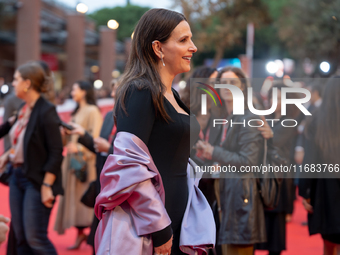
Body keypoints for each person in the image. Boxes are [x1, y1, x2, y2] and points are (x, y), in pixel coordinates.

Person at [94, 8, 215, 255]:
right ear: (158, 48)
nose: (193, 47)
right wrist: (160, 228)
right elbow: (128, 165)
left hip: (178, 217)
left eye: (190, 39)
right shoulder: (140, 91)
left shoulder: (172, 95)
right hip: (150, 225)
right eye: (183, 40)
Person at [196, 66, 266, 255]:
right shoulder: (226, 118)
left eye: (233, 83)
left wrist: (214, 152)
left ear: (242, 86)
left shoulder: (248, 117)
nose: (227, 87)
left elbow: (248, 162)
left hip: (241, 199)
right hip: (226, 197)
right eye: (223, 83)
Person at [0, 61, 63, 255]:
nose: (13, 83)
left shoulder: (46, 110)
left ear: (27, 83)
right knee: (20, 238)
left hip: (35, 180)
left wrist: (46, 186)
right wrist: (6, 157)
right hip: (18, 175)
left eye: (16, 79)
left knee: (36, 239)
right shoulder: (23, 109)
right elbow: (16, 138)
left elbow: (56, 151)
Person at [67, 79, 118, 254]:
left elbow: (137, 153)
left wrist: (109, 148)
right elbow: (98, 147)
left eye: (116, 90)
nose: (112, 94)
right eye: (112, 90)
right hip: (102, 182)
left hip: (121, 187)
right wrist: (83, 135)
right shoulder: (109, 115)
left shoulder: (136, 118)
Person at [54, 80, 103, 249]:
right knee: (74, 200)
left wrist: (79, 147)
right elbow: (67, 140)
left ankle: (92, 236)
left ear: (84, 91)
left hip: (84, 163)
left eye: (75, 88)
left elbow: (95, 137)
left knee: (84, 201)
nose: (72, 92)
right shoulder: (76, 112)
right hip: (72, 162)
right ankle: (81, 234)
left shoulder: (92, 110)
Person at [256, 83, 300, 255]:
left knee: (276, 230)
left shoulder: (290, 121)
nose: (276, 101)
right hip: (262, 174)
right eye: (273, 97)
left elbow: (272, 139)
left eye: (280, 98)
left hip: (280, 176)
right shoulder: (268, 117)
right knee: (261, 224)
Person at [299, 76, 340, 255]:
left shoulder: (316, 118)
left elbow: (310, 159)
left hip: (326, 189)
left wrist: (306, 192)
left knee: (329, 242)